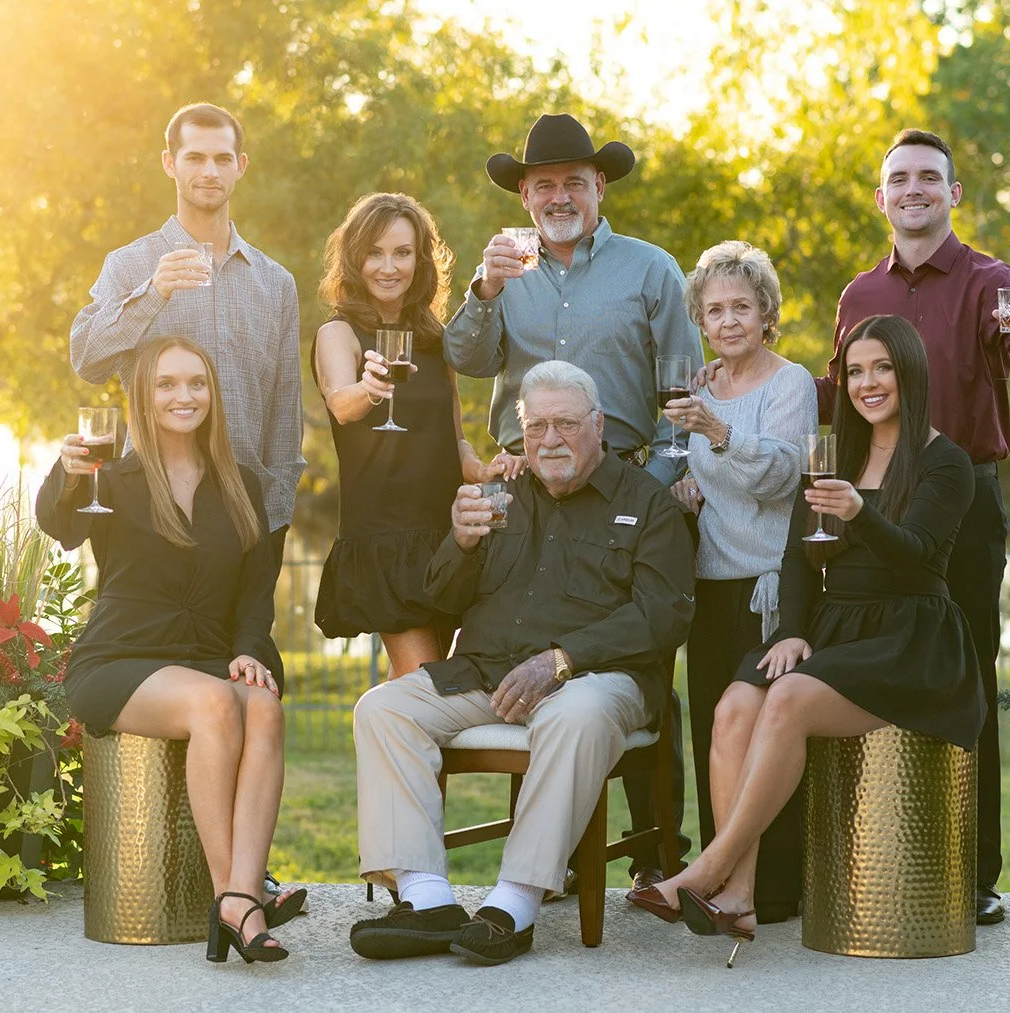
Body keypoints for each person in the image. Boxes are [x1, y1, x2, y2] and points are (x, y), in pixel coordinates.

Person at [632, 315, 985, 966]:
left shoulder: (946, 462)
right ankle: (739, 893)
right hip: (832, 627)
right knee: (735, 704)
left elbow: (916, 558)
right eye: (854, 370)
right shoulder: (833, 453)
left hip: (911, 637)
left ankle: (707, 866)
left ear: (909, 372)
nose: (867, 382)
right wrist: (792, 628)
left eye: (881, 367)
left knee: (787, 697)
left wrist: (861, 512)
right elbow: (798, 555)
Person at [348, 360, 695, 967]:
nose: (550, 439)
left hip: (597, 678)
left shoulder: (647, 502)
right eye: (537, 427)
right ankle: (428, 902)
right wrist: (457, 544)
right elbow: (443, 601)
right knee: (383, 709)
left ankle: (515, 903)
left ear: (599, 425)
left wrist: (564, 659)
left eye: (565, 423)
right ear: (521, 431)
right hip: (487, 674)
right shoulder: (499, 495)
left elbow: (664, 615)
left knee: (577, 714)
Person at [444, 113, 702, 884]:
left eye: (575, 182)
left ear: (600, 188)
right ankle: (543, 856)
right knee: (531, 649)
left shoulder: (651, 269)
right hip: (526, 482)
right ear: (525, 195)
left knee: (637, 650)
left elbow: (683, 390)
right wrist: (483, 288)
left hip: (627, 481)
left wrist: (657, 485)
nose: (561, 196)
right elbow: (462, 356)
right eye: (545, 183)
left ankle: (656, 850)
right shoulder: (502, 274)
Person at [830, 129, 1010, 924]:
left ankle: (974, 872)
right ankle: (866, 856)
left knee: (965, 676)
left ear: (953, 193)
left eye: (929, 178)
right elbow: (839, 396)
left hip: (963, 502)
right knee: (864, 665)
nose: (913, 189)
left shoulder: (994, 284)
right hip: (873, 503)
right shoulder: (856, 298)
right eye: (899, 178)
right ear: (881, 198)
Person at [37, 336, 304, 964]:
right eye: (166, 384)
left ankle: (241, 894)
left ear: (212, 395)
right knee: (215, 704)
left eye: (195, 383)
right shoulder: (113, 477)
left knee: (262, 704)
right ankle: (236, 901)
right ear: (143, 398)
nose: (182, 396)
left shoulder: (243, 486)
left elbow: (255, 595)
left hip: (209, 655)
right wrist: (66, 472)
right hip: (121, 659)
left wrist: (248, 650)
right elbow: (61, 525)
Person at [69, 100, 305, 606]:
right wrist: (152, 293)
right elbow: (87, 360)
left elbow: (285, 418)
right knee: (150, 663)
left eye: (222, 159)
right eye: (194, 158)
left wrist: (274, 516)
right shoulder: (130, 265)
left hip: (246, 516)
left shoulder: (275, 283)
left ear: (240, 166)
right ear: (169, 163)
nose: (209, 171)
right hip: (148, 510)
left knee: (244, 667)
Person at [655, 241, 816, 924]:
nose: (727, 319)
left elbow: (784, 475)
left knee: (758, 734)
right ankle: (723, 887)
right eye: (714, 308)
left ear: (766, 313)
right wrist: (691, 486)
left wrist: (717, 433)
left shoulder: (790, 383)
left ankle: (771, 888)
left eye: (741, 307)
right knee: (715, 737)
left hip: (771, 587)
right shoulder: (699, 383)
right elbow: (716, 480)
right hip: (709, 585)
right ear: (700, 317)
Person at [312, 192, 487, 677]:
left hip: (447, 536)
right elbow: (341, 403)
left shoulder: (435, 337)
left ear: (420, 259)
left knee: (410, 689)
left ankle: (374, 749)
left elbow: (455, 437)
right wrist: (369, 389)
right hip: (386, 538)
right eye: (375, 252)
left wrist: (484, 467)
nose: (388, 267)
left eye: (402, 252)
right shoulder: (339, 333)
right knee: (427, 685)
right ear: (354, 258)